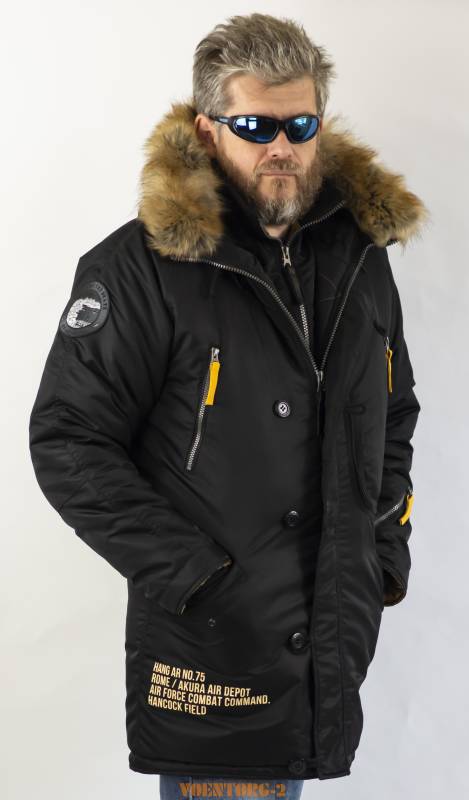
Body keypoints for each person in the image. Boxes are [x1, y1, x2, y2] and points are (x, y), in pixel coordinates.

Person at [29, 12, 429, 794]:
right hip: (209, 657)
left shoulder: (359, 258)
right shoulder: (140, 269)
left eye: (299, 125)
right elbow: (68, 440)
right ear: (208, 131)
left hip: (327, 651)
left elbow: (394, 413)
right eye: (255, 126)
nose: (281, 146)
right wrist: (197, 576)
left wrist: (380, 549)